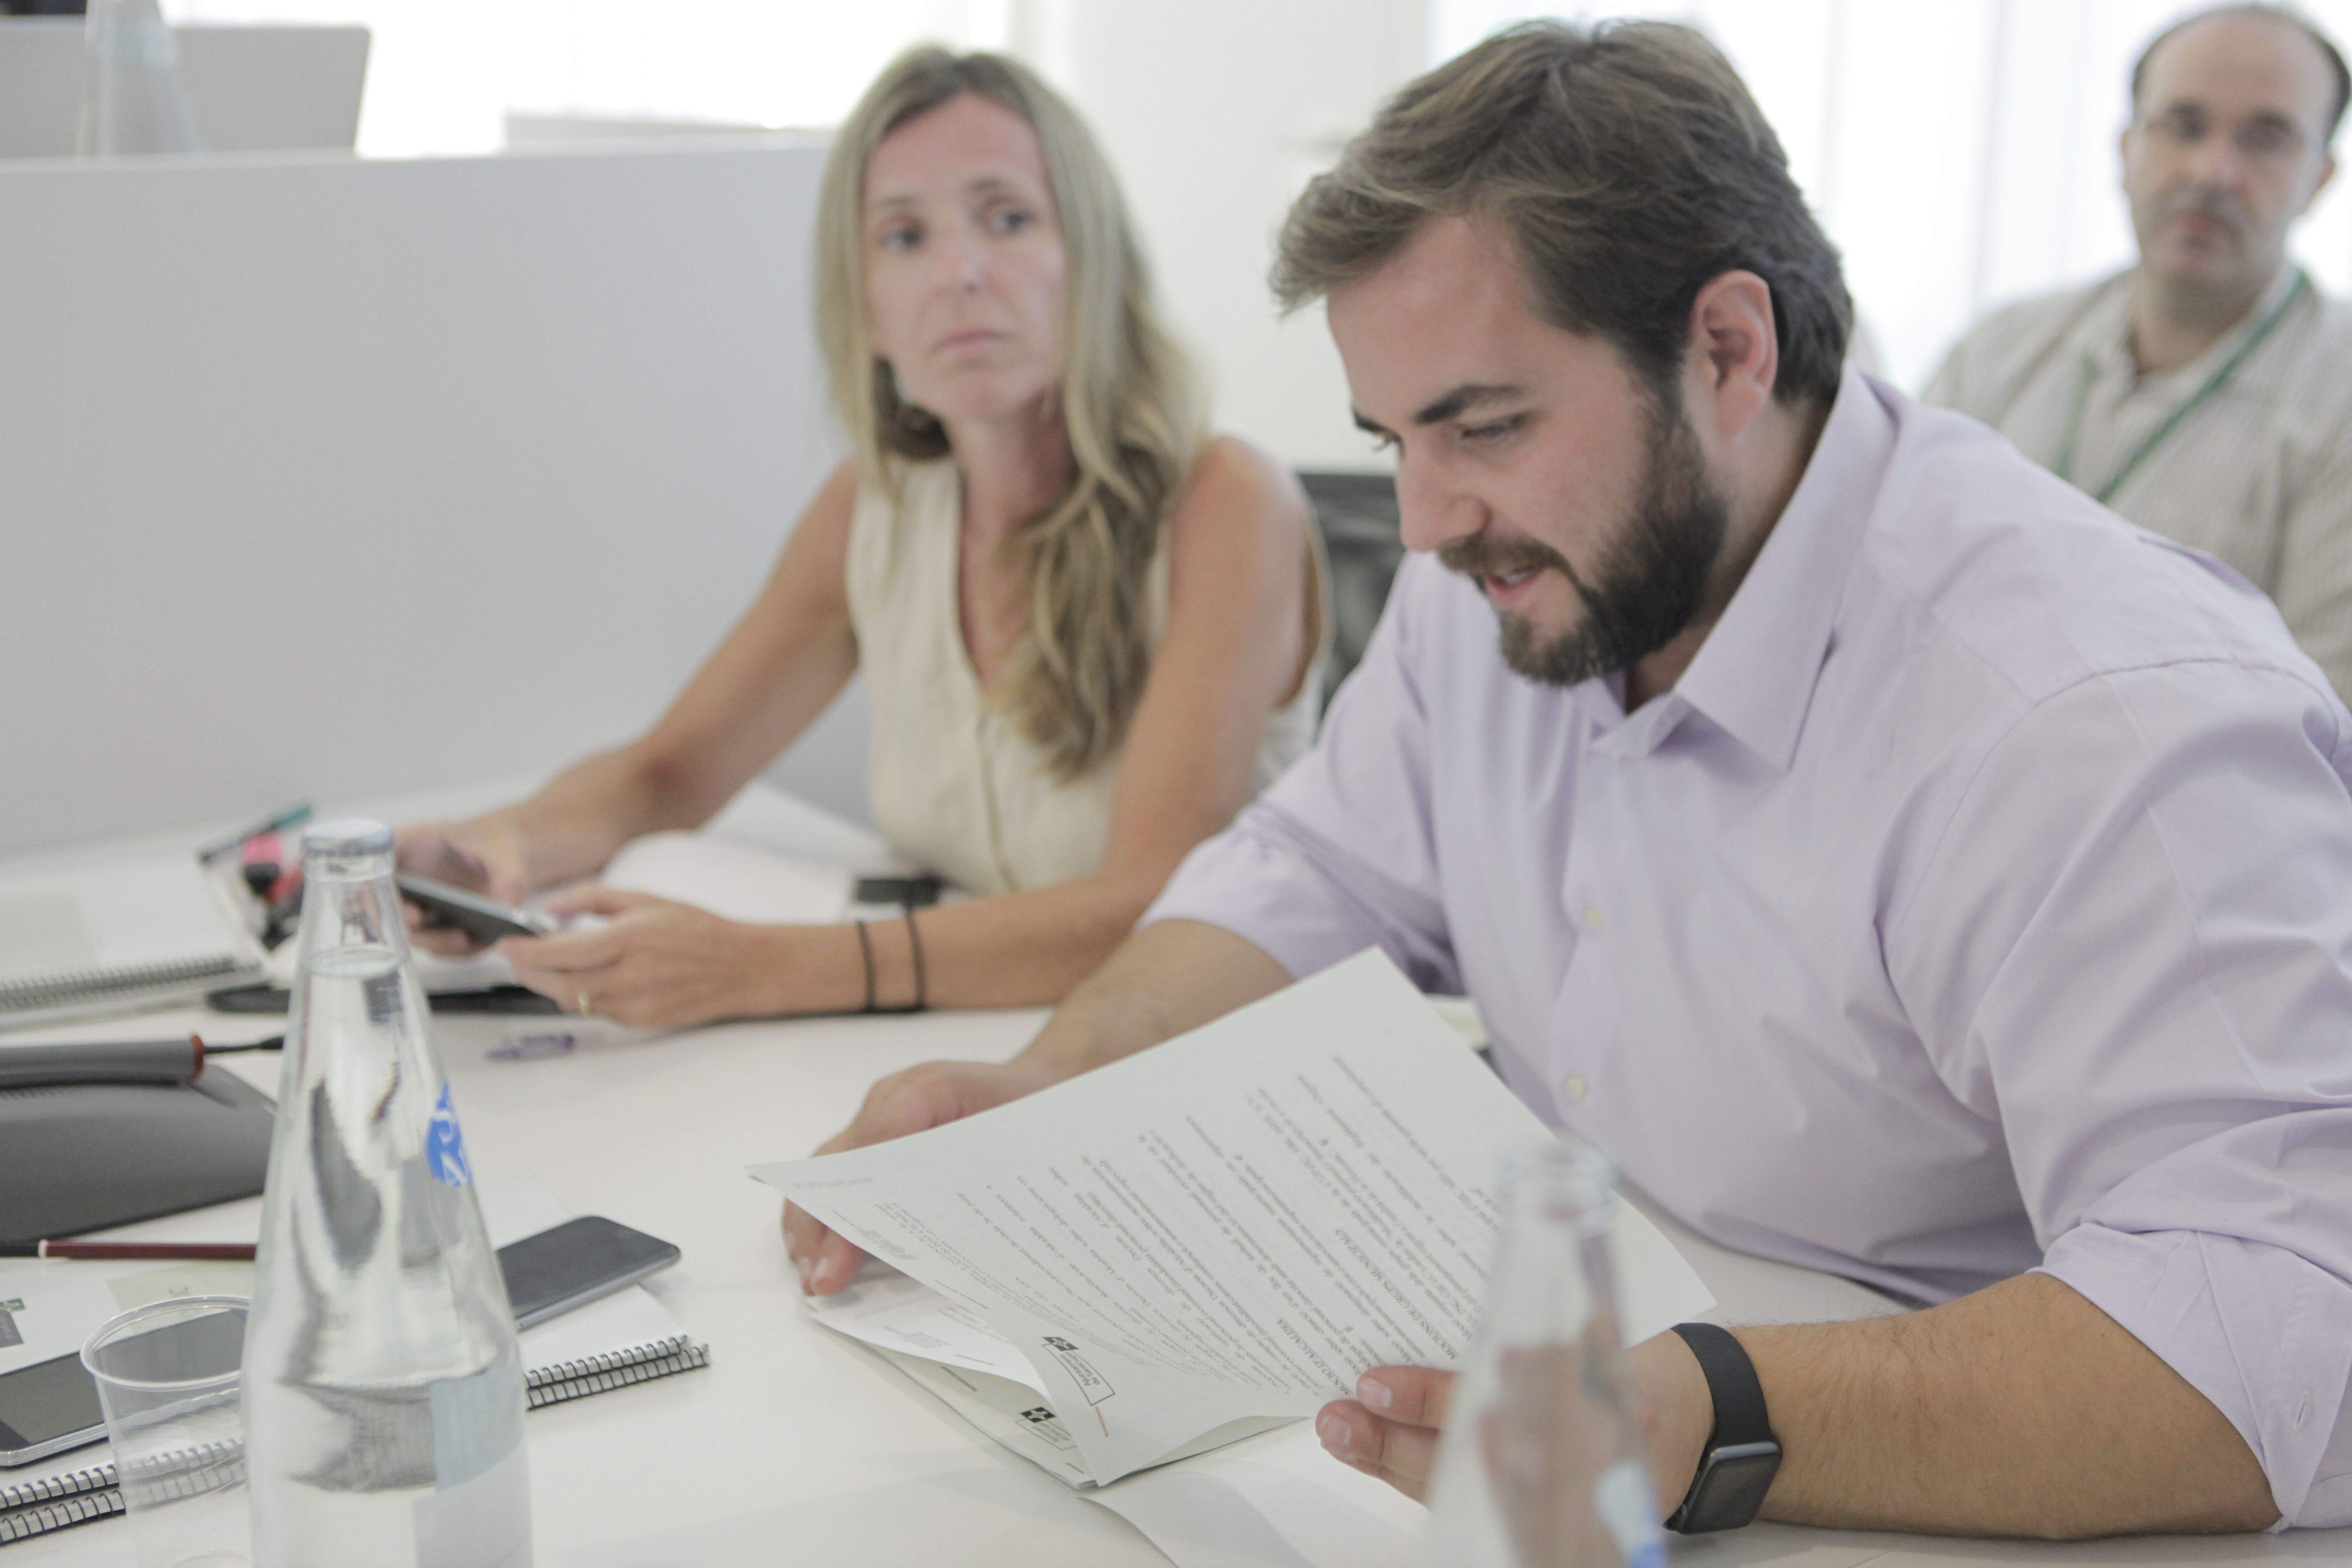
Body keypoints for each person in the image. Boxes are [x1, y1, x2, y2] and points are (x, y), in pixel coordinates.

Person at [787, 19, 2352, 1541]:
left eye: (1480, 425)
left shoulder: (2090, 716)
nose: (1420, 520)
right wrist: (1047, 1090)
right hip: (1607, 1384)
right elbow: (1313, 873)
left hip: (1938, 1473)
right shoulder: (1514, 572)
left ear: (1727, 349)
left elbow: (2282, 1328)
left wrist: (1698, 1414)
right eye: (1390, 438)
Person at [395, 48, 1324, 1029]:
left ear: (1089, 259)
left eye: (1006, 217)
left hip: (1199, 1053)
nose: (959, 273)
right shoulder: (874, 508)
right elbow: (670, 773)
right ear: (868, 308)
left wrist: (755, 969)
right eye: (904, 236)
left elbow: (1146, 908)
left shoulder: (1228, 503)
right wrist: (498, 848)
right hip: (985, 1029)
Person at [1926, 3, 2352, 701]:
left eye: (2265, 140)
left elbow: (2329, 722)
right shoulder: (1997, 352)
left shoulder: (2337, 396)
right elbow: (1889, 588)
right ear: (2125, 150)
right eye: (2183, 126)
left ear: (2321, 178)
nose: (2213, 171)